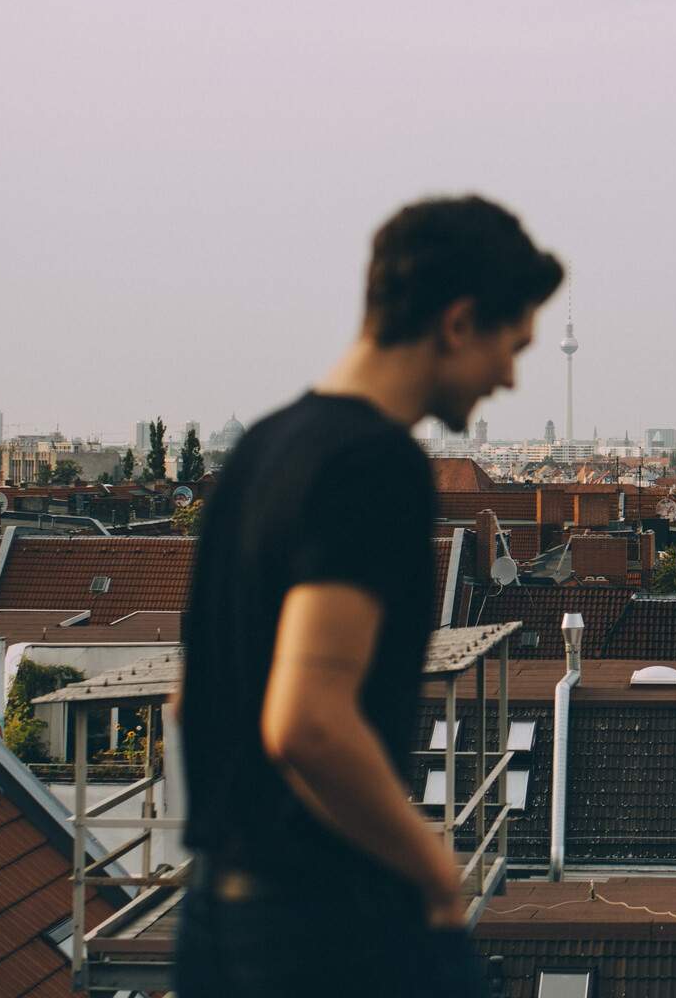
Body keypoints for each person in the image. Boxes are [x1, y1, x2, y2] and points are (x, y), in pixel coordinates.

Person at [174, 195, 562, 997]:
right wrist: (431, 870)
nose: (510, 376)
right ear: (457, 324)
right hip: (326, 927)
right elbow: (308, 720)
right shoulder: (373, 464)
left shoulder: (262, 450)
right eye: (510, 345)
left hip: (215, 915)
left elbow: (191, 699)